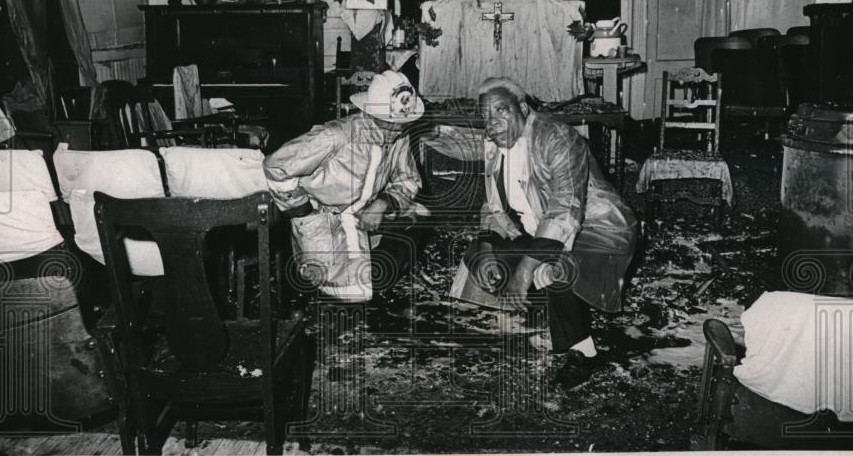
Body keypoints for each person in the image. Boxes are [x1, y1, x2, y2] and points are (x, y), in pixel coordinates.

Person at [449, 76, 639, 389]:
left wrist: (525, 268)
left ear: (522, 108)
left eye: (501, 111)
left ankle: (584, 352)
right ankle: (549, 304)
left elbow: (565, 211)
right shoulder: (495, 146)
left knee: (555, 267)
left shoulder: (557, 138)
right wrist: (486, 248)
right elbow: (493, 208)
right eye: (485, 116)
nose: (492, 123)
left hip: (598, 228)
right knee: (479, 256)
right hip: (541, 226)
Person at [263, 71, 425, 303]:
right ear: (368, 114)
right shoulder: (334, 136)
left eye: (401, 125)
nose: (395, 132)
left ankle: (369, 257)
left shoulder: (398, 135)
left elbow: (408, 179)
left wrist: (383, 202)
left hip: (363, 215)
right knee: (354, 291)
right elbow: (275, 167)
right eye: (388, 124)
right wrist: (303, 214)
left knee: (418, 216)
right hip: (322, 219)